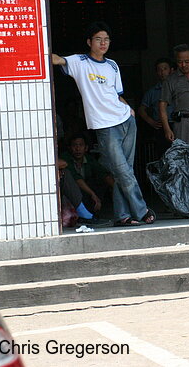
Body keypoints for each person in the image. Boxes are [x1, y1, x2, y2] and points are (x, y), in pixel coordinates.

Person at [51, 21, 154, 227]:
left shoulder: (112, 65)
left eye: (106, 39)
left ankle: (122, 216)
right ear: (89, 42)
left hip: (125, 120)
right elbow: (56, 60)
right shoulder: (80, 62)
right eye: (98, 39)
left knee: (123, 171)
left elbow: (116, 94)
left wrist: (130, 110)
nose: (103, 43)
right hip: (104, 126)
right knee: (123, 171)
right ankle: (141, 210)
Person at [60, 133, 114, 215]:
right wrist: (93, 194)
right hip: (71, 193)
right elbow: (76, 178)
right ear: (70, 148)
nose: (77, 149)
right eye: (74, 145)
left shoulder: (89, 159)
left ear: (86, 148)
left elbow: (103, 174)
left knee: (99, 183)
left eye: (81, 145)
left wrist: (117, 189)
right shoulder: (65, 158)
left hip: (85, 191)